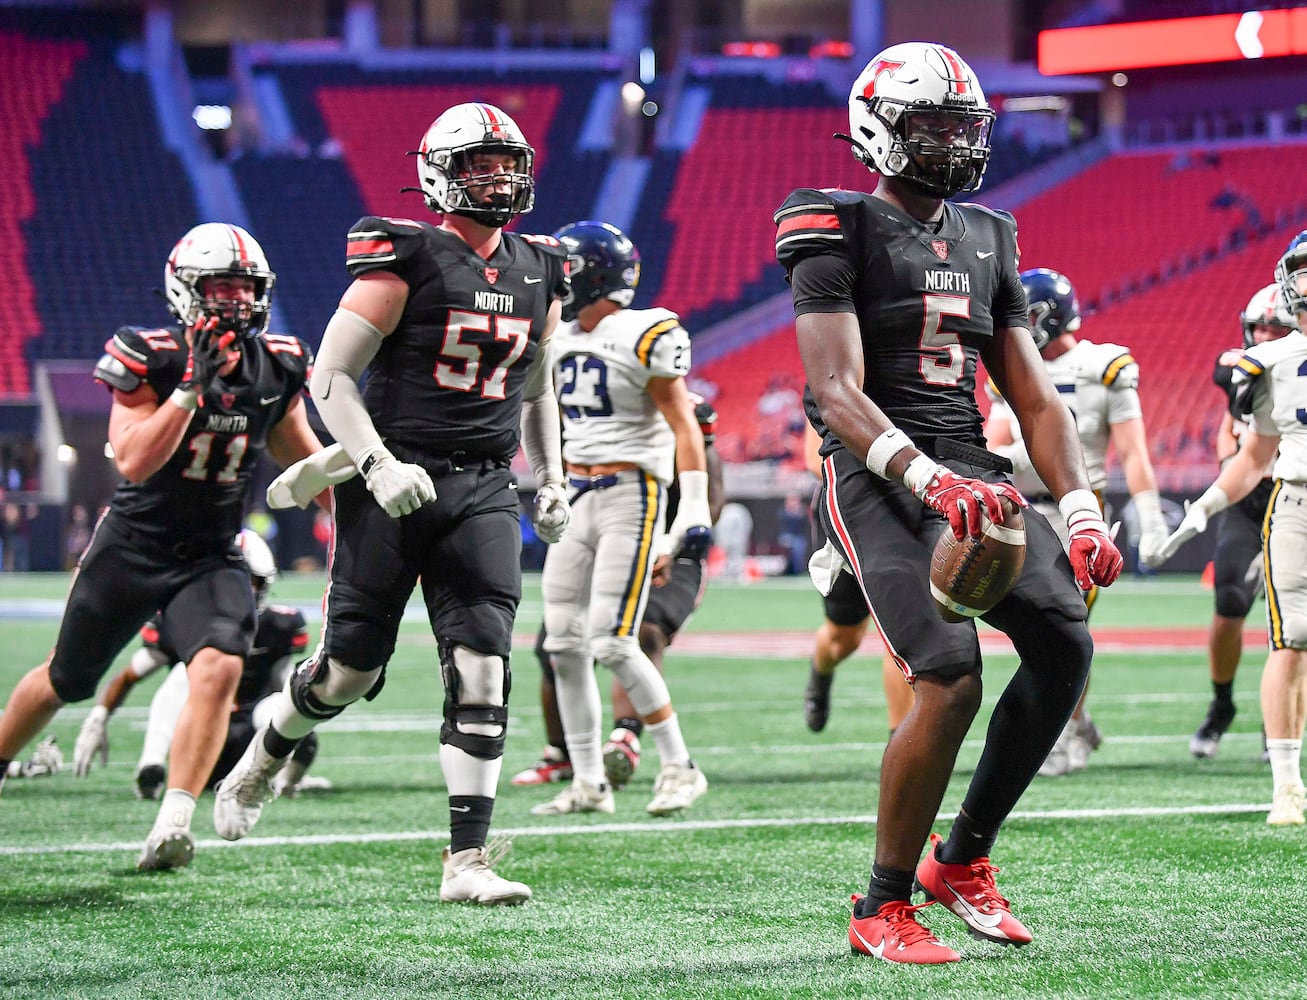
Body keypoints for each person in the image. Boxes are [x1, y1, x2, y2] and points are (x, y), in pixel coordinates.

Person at [777, 42, 1122, 964]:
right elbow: (835, 393)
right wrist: (928, 477)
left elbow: (1034, 395)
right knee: (948, 671)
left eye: (962, 127)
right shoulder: (829, 223)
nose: (950, 145)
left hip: (973, 468)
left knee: (1064, 641)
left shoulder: (990, 234)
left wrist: (1081, 510)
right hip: (877, 475)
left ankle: (959, 860)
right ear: (876, 128)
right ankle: (880, 905)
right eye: (927, 125)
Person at [213, 102, 571, 906]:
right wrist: (374, 465)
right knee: (347, 671)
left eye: (506, 161)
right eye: (478, 163)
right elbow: (331, 379)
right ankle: (269, 750)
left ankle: (466, 861)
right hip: (393, 479)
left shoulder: (541, 267)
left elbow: (537, 384)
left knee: (483, 666)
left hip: (481, 483)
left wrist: (550, 474)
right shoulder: (403, 254)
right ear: (440, 173)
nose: (498, 176)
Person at [0, 222, 324, 872]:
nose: (234, 301)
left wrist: (362, 517)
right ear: (185, 290)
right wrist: (188, 389)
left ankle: (174, 820)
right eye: (220, 287)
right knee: (67, 678)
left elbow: (305, 462)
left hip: (211, 551)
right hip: (134, 545)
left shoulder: (278, 364)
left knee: (220, 665)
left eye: (245, 288)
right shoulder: (149, 354)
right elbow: (137, 461)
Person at [530, 220, 711, 818]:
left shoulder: (644, 331)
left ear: (593, 273)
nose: (559, 280)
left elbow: (684, 425)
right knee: (561, 643)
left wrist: (693, 508)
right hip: (577, 492)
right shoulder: (558, 336)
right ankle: (588, 782)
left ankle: (681, 767)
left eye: (568, 268)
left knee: (611, 639)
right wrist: (552, 480)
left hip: (632, 492)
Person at [1147, 233, 1307, 826]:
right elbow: (1252, 451)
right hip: (1287, 500)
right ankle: (1281, 775)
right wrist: (1203, 507)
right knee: (1279, 630)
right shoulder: (1261, 366)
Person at [984, 267, 1169, 776]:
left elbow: (1133, 452)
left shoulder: (1103, 366)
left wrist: (1150, 520)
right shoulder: (1014, 368)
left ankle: (1064, 731)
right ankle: (1075, 720)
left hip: (1082, 511)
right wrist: (1026, 451)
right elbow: (995, 448)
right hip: (1027, 511)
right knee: (1043, 627)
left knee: (1068, 625)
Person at [512, 393, 725, 790]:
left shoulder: (685, 413)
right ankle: (561, 753)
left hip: (669, 548)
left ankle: (627, 736)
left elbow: (710, 503)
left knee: (643, 630)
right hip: (605, 535)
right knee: (555, 644)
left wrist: (670, 543)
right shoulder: (598, 411)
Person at [72, 529, 325, 800]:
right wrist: (98, 717)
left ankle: (284, 783)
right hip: (195, 741)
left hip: (247, 744)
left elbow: (283, 687)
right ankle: (151, 764)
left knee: (288, 705)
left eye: (246, 580)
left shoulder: (277, 626)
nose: (239, 590)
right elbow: (131, 675)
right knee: (184, 674)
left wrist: (298, 740)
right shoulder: (180, 620)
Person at [1187, 283, 1297, 759]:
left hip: (1294, 494)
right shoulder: (1249, 367)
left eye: (1277, 328)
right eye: (1260, 328)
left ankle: (1282, 719)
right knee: (1230, 598)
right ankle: (1222, 703)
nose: (1265, 336)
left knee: (1295, 621)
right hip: (1247, 497)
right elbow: (1225, 368)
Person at [800, 423, 913, 736]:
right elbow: (814, 460)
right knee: (843, 638)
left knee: (906, 629)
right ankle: (820, 674)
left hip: (907, 510)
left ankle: (901, 743)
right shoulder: (836, 377)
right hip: (847, 507)